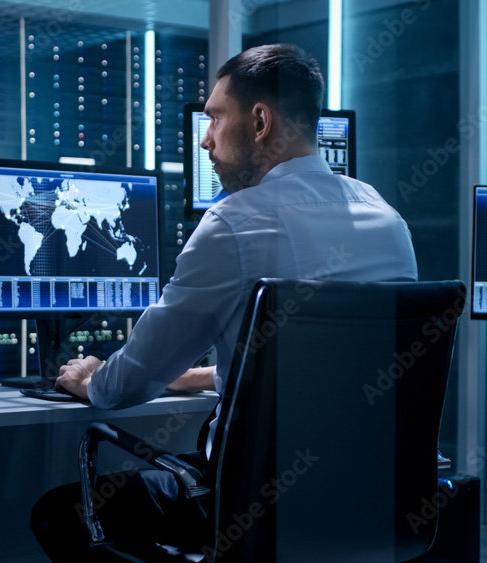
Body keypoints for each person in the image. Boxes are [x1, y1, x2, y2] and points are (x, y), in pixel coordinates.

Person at [30, 43, 418, 561]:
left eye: (214, 118)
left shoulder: (234, 222)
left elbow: (126, 384)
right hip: (375, 499)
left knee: (60, 514)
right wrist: (202, 376)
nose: (206, 139)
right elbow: (330, 370)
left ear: (259, 121)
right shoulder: (387, 219)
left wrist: (89, 380)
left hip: (254, 508)